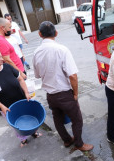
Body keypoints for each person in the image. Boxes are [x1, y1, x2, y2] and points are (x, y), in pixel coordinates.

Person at [33, 21, 93, 151]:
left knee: (57, 118)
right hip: (64, 93)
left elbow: (37, 75)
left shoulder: (36, 52)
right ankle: (79, 144)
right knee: (77, 119)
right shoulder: (62, 50)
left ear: (39, 34)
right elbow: (73, 76)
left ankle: (67, 140)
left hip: (50, 95)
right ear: (56, 33)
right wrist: (75, 93)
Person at [0, 48, 40, 147]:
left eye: (1, 56)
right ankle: (23, 139)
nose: (2, 59)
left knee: (28, 118)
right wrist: (1, 106)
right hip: (6, 106)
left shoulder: (7, 67)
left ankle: (33, 132)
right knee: (16, 124)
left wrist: (26, 93)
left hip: (21, 99)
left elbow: (20, 80)